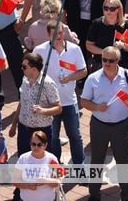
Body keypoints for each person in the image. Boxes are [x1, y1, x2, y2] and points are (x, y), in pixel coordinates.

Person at [80, 45, 128, 201]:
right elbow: (84, 101)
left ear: (118, 61)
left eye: (111, 60)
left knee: (122, 160)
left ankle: (125, 193)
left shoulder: (127, 77)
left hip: (121, 126)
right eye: (104, 60)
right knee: (97, 160)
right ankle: (94, 194)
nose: (107, 63)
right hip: (99, 125)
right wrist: (96, 107)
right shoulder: (93, 78)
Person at [33, 20, 87, 164]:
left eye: (61, 32)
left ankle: (79, 166)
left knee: (75, 135)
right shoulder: (40, 50)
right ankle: (55, 165)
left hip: (69, 101)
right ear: (48, 34)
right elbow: (31, 73)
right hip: (50, 103)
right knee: (52, 136)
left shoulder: (75, 49)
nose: (58, 36)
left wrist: (70, 77)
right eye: (55, 33)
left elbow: (83, 71)